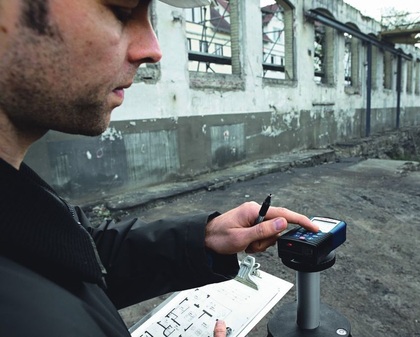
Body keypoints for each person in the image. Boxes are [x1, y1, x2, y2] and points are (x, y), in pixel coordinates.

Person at [0, 0, 318, 336]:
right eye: (121, 12)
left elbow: (78, 255)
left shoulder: (17, 194)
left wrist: (205, 238)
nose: (153, 50)